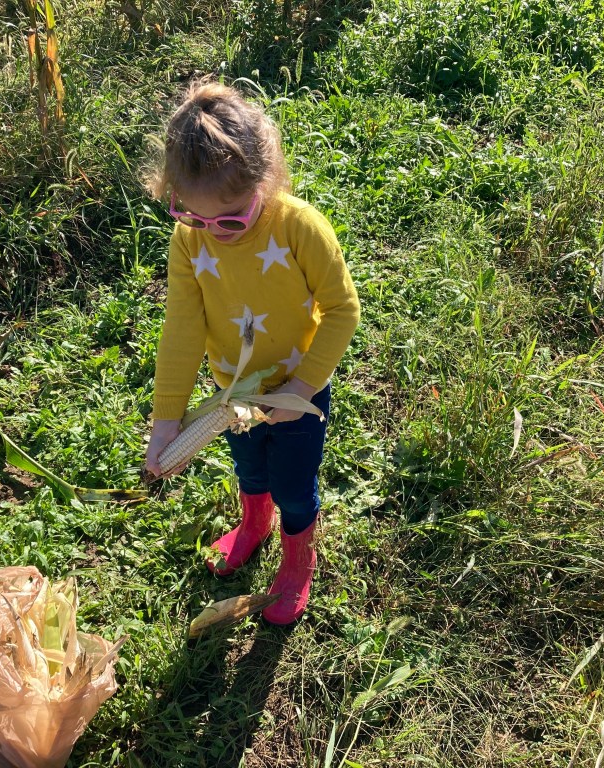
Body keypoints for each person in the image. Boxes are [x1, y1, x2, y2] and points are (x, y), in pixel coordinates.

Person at [143, 79, 360, 625]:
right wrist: (168, 421)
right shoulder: (189, 241)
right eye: (192, 215)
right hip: (231, 395)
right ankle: (253, 524)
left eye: (233, 218)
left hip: (294, 391)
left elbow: (342, 310)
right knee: (249, 468)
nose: (215, 233)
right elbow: (183, 328)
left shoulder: (299, 229)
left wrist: (303, 387)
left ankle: (296, 561)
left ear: (266, 180)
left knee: (292, 482)